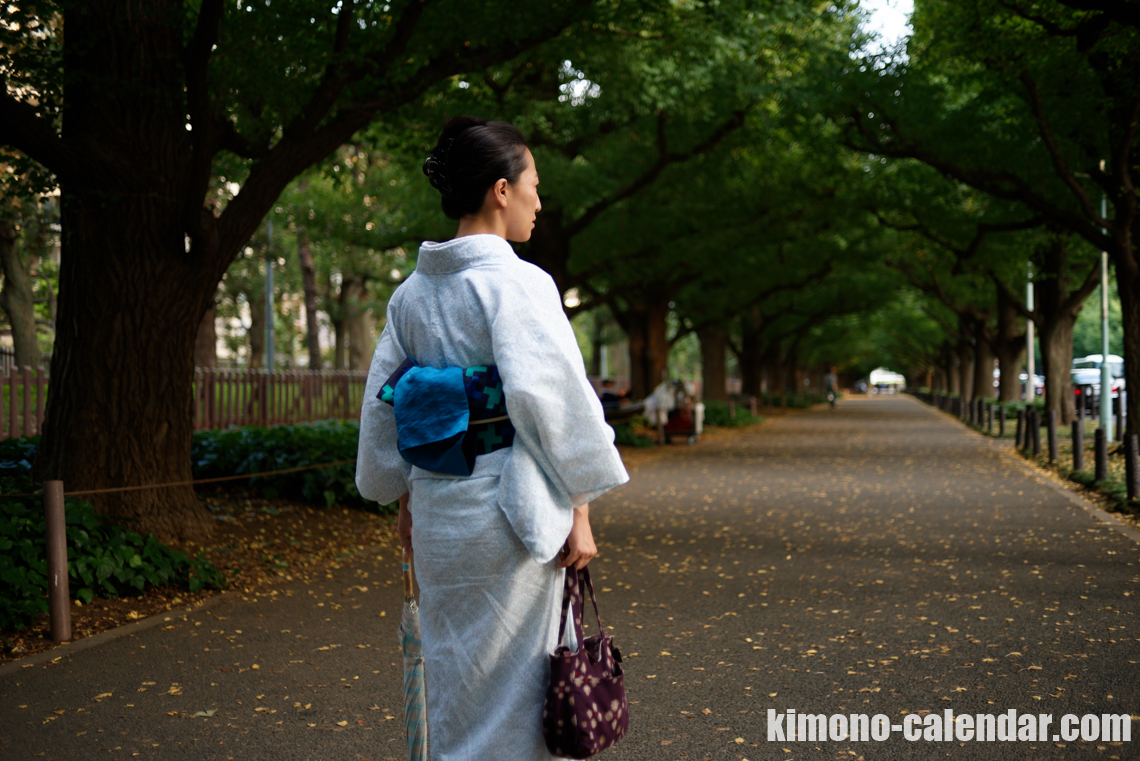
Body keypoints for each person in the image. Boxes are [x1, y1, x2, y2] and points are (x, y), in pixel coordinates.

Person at [356, 116, 629, 761]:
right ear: (502, 190)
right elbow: (552, 404)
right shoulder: (520, 284)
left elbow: (387, 410)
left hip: (441, 517)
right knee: (518, 694)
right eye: (534, 184)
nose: (540, 199)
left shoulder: (410, 295)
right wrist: (581, 509)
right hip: (510, 516)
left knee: (456, 682)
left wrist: (403, 500)